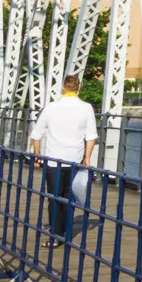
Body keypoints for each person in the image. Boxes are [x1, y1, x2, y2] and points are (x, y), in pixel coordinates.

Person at [28, 75, 99, 241]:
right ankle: (65, 230)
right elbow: (91, 137)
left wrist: (38, 157)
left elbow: (36, 135)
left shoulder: (51, 107)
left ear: (63, 88)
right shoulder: (86, 108)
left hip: (53, 160)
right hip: (74, 160)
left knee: (54, 197)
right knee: (69, 196)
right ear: (78, 88)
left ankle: (55, 233)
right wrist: (87, 157)